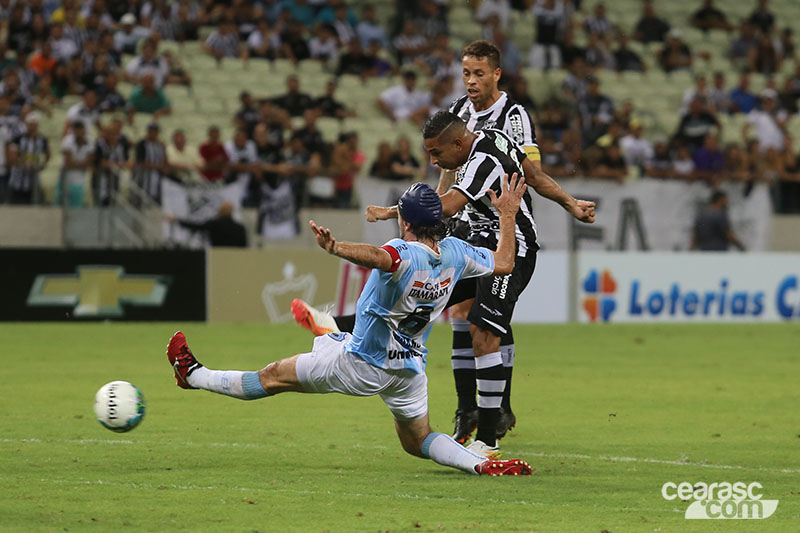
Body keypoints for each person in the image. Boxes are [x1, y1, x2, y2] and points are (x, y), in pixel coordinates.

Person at [166, 179, 533, 476]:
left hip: (360, 365)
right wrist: (508, 214)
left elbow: (380, 257)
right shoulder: (455, 251)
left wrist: (336, 247)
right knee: (417, 440)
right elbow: (503, 262)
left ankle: (193, 374)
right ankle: (481, 463)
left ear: (404, 222)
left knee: (272, 376)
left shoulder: (403, 253)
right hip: (408, 370)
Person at [293, 40, 544, 446]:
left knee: (485, 325)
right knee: (448, 305)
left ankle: (494, 422)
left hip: (508, 238)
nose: (471, 80)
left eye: (479, 73)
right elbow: (444, 184)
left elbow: (526, 173)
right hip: (469, 234)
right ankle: (469, 412)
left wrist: (399, 212)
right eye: (466, 73)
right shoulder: (459, 113)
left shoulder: (509, 123)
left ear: (497, 73)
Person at [359, 112, 595, 457]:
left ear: (458, 143)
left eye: (437, 153)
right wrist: (571, 203)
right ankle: (340, 329)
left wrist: (397, 211)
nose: (434, 161)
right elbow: (534, 176)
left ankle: (487, 438)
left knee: (483, 333)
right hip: (479, 244)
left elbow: (446, 207)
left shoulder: (480, 160)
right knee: (422, 293)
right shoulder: (493, 137)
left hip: (511, 249)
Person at [167, 200, 247, 247]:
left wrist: (178, 220)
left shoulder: (214, 224)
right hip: (235, 258)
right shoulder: (240, 228)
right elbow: (244, 247)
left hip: (217, 256)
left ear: (220, 211)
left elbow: (196, 226)